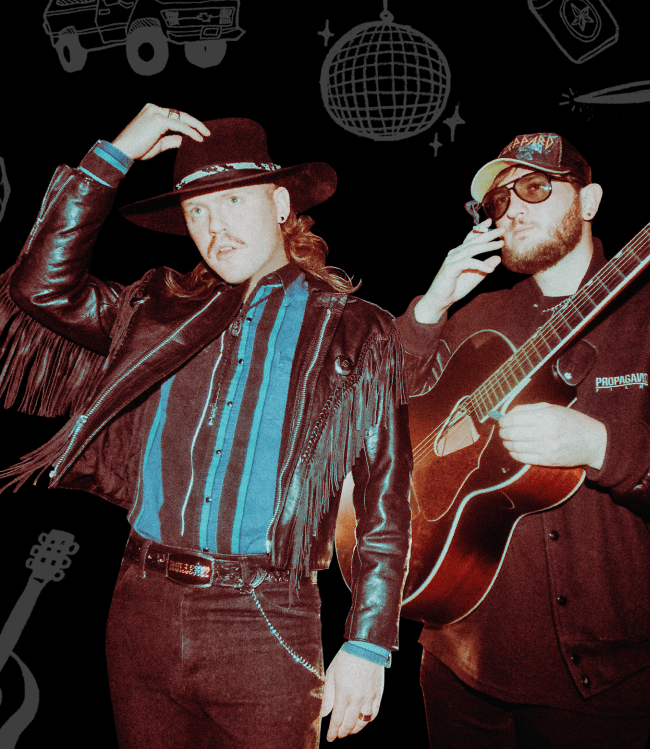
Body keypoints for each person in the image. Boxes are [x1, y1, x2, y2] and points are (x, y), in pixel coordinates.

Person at [0, 103, 412, 748]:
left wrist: (368, 644)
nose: (215, 229)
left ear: (280, 203)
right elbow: (40, 285)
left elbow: (387, 498)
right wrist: (116, 155)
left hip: (265, 617)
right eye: (197, 212)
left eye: (234, 202)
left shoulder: (356, 329)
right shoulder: (155, 308)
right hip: (140, 606)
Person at [395, 132, 650, 748]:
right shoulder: (476, 320)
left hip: (594, 675)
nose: (510, 207)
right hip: (453, 646)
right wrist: (430, 309)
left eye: (535, 187)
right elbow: (381, 420)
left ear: (588, 200)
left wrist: (603, 447)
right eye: (495, 201)